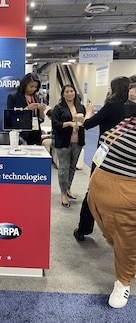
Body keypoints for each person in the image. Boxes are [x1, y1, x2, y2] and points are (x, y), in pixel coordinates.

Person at [87, 83, 136, 309]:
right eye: (130, 98)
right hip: (100, 191)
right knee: (116, 238)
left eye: (134, 101)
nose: (129, 104)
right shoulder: (128, 121)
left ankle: (123, 282)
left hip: (126, 197)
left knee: (126, 241)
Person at [73, 76, 131, 241]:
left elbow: (88, 123)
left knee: (93, 191)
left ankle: (84, 229)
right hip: (126, 159)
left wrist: (89, 112)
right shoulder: (129, 108)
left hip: (105, 156)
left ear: (114, 89)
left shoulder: (112, 105)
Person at [52, 84, 86, 207]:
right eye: (67, 91)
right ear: (63, 94)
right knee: (63, 168)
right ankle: (63, 193)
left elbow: (85, 122)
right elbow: (55, 125)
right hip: (63, 142)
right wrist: (69, 124)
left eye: (72, 91)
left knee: (72, 167)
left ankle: (68, 188)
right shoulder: (58, 108)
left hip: (78, 141)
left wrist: (83, 121)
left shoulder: (81, 107)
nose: (70, 93)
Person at [7, 73, 47, 145]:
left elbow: (40, 119)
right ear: (24, 85)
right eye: (31, 86)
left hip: (35, 132)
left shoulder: (36, 97)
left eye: (35, 87)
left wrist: (41, 111)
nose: (33, 89)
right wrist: (26, 109)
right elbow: (10, 117)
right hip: (22, 133)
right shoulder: (14, 97)